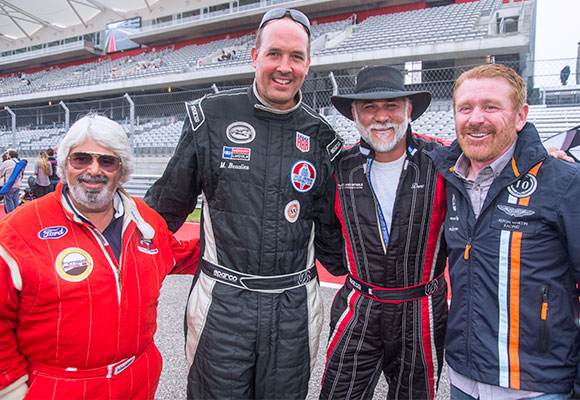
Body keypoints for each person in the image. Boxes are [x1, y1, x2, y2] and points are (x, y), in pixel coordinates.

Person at [145, 8, 343, 399]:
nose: (284, 67)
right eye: (274, 53)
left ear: (308, 63)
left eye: (296, 56)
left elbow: (335, 239)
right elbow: (164, 208)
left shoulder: (321, 137)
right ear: (254, 56)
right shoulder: (211, 118)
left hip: (293, 312)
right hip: (222, 306)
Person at [0, 114, 199, 399]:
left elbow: (176, 254)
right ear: (64, 164)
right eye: (81, 159)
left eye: (107, 161)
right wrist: (11, 390)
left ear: (122, 171)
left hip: (137, 379)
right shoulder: (19, 229)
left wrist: (245, 249)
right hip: (57, 387)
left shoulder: (146, 220)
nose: (94, 170)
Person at [428, 63, 580, 399]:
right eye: (465, 108)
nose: (475, 118)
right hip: (463, 381)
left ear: (521, 115)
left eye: (491, 106)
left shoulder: (564, 182)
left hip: (535, 387)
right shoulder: (447, 178)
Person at [319, 66, 448, 399]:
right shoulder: (339, 166)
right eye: (369, 107)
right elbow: (324, 232)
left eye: (391, 105)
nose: (381, 117)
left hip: (422, 311)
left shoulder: (443, 159)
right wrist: (350, 269)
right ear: (354, 114)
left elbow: (497, 156)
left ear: (408, 109)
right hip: (360, 304)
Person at [0, 149, 25, 214]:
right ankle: (15, 215)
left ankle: (11, 216)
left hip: (9, 185)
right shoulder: (20, 163)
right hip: (18, 185)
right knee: (15, 202)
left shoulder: (7, 163)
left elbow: (1, 173)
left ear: (9, 156)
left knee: (9, 202)